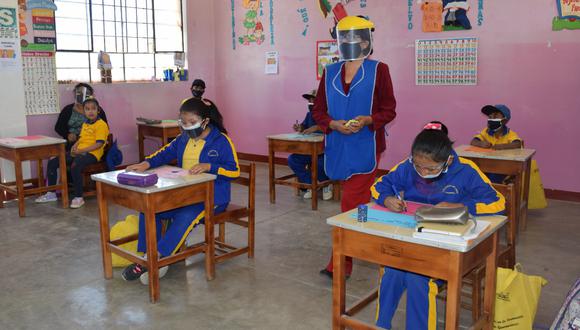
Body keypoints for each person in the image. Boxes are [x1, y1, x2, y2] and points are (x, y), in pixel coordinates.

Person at [371, 122, 505, 329]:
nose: (423, 172)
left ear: (448, 159)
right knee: (392, 270)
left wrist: (461, 205)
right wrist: (387, 198)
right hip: (413, 240)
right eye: (419, 166)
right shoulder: (407, 166)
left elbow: (497, 202)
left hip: (447, 247)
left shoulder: (466, 171)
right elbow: (379, 186)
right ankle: (381, 325)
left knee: (417, 278)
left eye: (431, 168)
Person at [312, 16, 397, 278]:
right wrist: (334, 124)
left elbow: (389, 110)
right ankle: (361, 236)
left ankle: (342, 260)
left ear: (367, 40)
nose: (351, 42)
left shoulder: (379, 69)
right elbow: (318, 111)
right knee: (356, 203)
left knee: (351, 201)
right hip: (338, 143)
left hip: (367, 145)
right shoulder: (330, 72)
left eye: (356, 37)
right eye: (345, 37)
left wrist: (369, 120)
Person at [122, 98, 240, 284]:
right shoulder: (183, 139)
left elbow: (234, 171)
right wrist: (144, 164)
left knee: (187, 215)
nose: (187, 127)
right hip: (186, 194)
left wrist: (210, 166)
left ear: (205, 121)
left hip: (213, 197)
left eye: (192, 123)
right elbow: (163, 153)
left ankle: (154, 260)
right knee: (150, 208)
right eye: (183, 123)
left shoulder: (221, 141)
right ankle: (148, 253)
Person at [36, 97, 110, 208]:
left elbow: (98, 144)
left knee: (75, 166)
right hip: (80, 151)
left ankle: (79, 197)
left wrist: (81, 150)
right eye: (87, 109)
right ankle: (51, 193)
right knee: (54, 162)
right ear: (84, 111)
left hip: (93, 154)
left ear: (98, 110)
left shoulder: (101, 125)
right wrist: (75, 147)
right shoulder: (86, 124)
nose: (90, 111)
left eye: (93, 109)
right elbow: (82, 139)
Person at [288, 89, 332, 200]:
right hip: (309, 149)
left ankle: (326, 184)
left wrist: (317, 127)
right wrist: (300, 128)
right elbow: (304, 127)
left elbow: (333, 128)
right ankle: (312, 184)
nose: (311, 102)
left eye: (313, 99)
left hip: (324, 150)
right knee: (293, 159)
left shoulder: (330, 113)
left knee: (319, 162)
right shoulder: (309, 114)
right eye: (309, 100)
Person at [470, 104, 522, 183]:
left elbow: (517, 144)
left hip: (504, 168)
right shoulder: (486, 132)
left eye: (496, 116)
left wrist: (501, 146)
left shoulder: (509, 134)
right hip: (488, 165)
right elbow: (473, 141)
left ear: (505, 120)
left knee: (492, 178)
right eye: (490, 117)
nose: (492, 119)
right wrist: (481, 144)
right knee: (476, 174)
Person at [55, 83, 108, 151]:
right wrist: (68, 135)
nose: (82, 96)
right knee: (55, 160)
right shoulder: (68, 110)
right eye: (79, 93)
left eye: (86, 93)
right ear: (75, 94)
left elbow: (105, 127)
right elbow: (58, 127)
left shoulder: (97, 110)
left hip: (92, 143)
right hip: (72, 144)